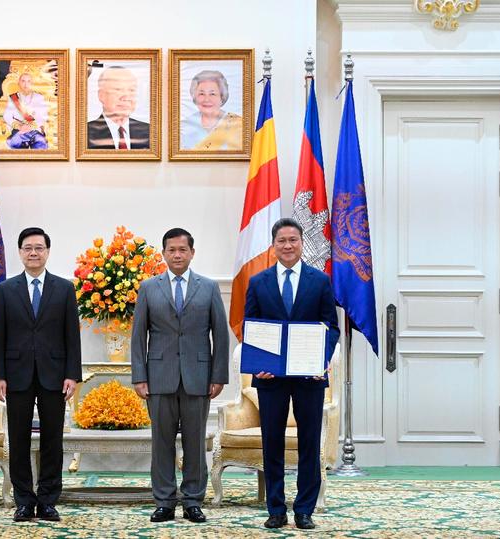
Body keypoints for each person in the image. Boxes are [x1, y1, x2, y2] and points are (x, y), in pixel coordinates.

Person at [244, 217, 339, 530]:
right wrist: (259, 363)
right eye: (282, 241)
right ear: (273, 246)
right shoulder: (258, 282)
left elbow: (331, 327)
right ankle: (275, 509)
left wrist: (320, 360)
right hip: (270, 378)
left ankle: (304, 510)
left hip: (309, 377)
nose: (287, 245)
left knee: (309, 443)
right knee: (272, 442)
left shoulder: (320, 281)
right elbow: (251, 327)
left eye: (293, 240)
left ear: (302, 243)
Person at [131, 228, 229, 523]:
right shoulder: (149, 288)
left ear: (192, 253)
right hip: (159, 377)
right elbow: (139, 336)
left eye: (182, 250)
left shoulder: (209, 287)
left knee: (195, 443)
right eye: (171, 250)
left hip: (198, 377)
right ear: (163, 254)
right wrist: (139, 376)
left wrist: (219, 375)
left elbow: (220, 336)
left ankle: (192, 501)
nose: (177, 255)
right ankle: (164, 501)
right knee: (161, 443)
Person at [0, 227, 82, 522]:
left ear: (47, 252)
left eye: (38, 248)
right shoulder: (6, 290)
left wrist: (72, 374)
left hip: (54, 375)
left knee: (52, 439)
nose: (33, 253)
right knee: (18, 439)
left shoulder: (64, 288)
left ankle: (48, 500)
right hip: (16, 376)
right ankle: (24, 501)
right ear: (20, 253)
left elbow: (72, 336)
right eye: (28, 248)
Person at [87, 66, 150, 150]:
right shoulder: (84, 134)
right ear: (101, 95)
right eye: (118, 90)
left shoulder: (150, 132)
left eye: (131, 90)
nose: (126, 97)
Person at [180, 70, 242, 151]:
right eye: (201, 94)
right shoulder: (183, 126)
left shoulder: (238, 125)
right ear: (195, 96)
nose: (206, 99)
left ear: (222, 97)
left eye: (212, 94)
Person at [2, 72, 49, 149]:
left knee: (41, 143)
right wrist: (19, 126)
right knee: (14, 142)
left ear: (32, 83)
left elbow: (44, 116)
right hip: (18, 131)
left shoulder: (39, 98)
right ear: (18, 83)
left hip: (35, 131)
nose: (26, 84)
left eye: (29, 81)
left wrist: (31, 126)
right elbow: (7, 116)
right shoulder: (13, 98)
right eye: (23, 81)